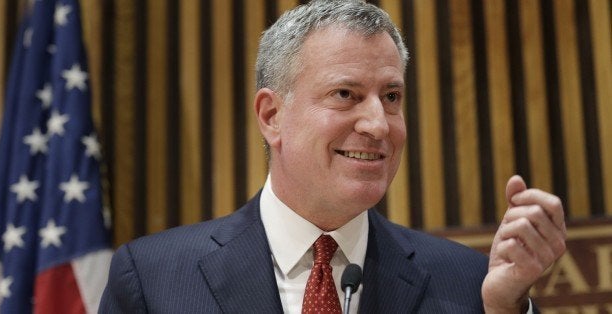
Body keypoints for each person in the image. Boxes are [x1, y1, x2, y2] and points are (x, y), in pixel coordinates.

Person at [99, 1, 566, 313]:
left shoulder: (470, 286)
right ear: (272, 115)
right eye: (346, 94)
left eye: (392, 96)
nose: (379, 124)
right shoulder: (154, 280)